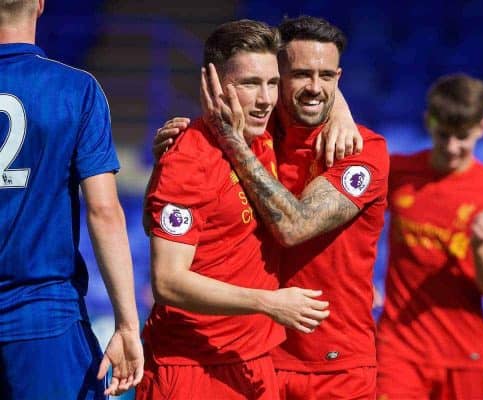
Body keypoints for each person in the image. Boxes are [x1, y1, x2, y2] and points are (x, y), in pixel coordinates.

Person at [137, 20, 331, 400]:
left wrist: (339, 112)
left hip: (253, 363)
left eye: (272, 83)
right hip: (192, 368)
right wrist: (269, 302)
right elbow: (167, 280)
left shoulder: (260, 138)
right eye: (249, 84)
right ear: (212, 83)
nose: (265, 99)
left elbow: (318, 84)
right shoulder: (189, 158)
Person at [198, 16, 389, 399]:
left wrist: (231, 142)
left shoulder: (362, 151)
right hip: (252, 358)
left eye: (327, 76)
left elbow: (294, 227)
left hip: (336, 370)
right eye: (301, 74)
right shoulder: (255, 139)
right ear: (276, 76)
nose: (315, 88)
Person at [0, 0, 143, 398]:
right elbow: (103, 209)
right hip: (45, 318)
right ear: (41, 5)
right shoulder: (76, 90)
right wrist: (128, 325)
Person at [376, 73, 483, 400]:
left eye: (463, 137)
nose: (452, 148)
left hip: (461, 354)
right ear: (428, 121)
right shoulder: (397, 172)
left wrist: (480, 245)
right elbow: (353, 225)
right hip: (398, 348)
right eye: (443, 135)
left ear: (482, 128)